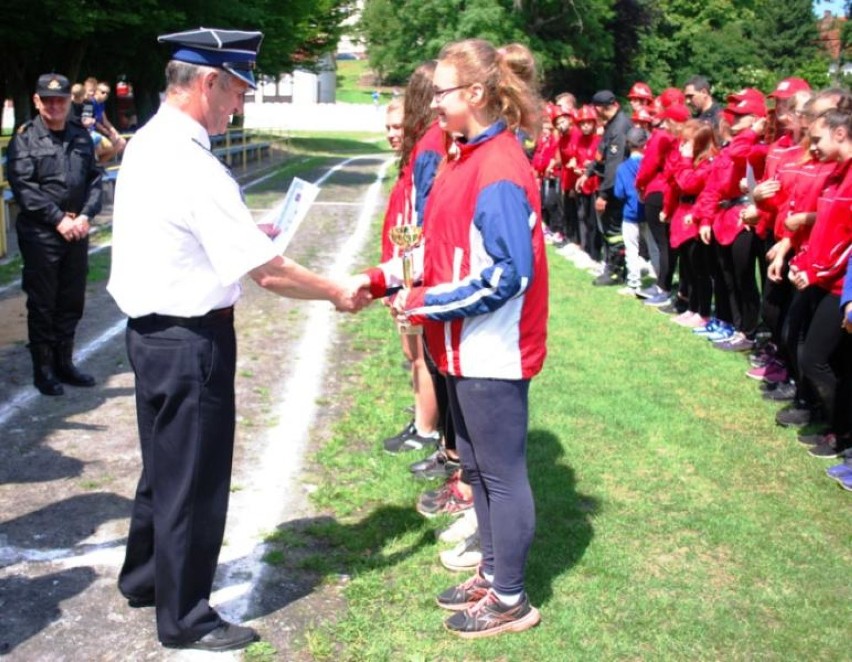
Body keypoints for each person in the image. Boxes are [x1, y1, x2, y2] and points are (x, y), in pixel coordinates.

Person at [107, 27, 366, 652]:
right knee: (194, 479)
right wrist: (335, 291)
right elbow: (269, 272)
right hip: (190, 341)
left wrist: (249, 231)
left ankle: (146, 578)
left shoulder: (149, 141)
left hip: (149, 335)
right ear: (206, 82)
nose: (238, 105)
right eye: (236, 91)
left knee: (162, 468)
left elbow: (186, 231)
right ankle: (186, 616)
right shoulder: (191, 161)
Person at [355, 38, 547, 639]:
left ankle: (510, 598)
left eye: (442, 92)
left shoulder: (499, 167)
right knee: (481, 473)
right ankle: (493, 574)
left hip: (493, 348)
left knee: (500, 474)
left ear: (477, 93)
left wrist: (422, 302)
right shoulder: (464, 156)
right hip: (462, 346)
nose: (432, 103)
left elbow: (508, 275)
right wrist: (382, 281)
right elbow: (437, 255)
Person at [7, 73, 102, 396]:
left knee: (71, 300)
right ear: (36, 101)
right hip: (42, 234)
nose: (54, 106)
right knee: (43, 302)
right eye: (47, 100)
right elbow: (24, 188)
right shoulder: (24, 138)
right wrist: (58, 219)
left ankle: (65, 363)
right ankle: (43, 369)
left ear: (67, 101)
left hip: (76, 232)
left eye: (60, 99)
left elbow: (93, 180)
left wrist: (87, 214)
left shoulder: (79, 136)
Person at [579, 89, 632, 285]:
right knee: (612, 230)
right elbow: (601, 155)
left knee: (614, 231)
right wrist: (587, 173)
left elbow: (613, 166)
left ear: (600, 108)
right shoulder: (612, 124)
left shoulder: (619, 127)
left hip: (615, 189)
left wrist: (604, 195)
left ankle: (615, 270)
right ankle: (616, 267)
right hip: (610, 185)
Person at [614, 126, 652, 295]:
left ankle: (634, 283)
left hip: (630, 213)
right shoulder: (650, 164)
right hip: (649, 212)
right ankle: (654, 283)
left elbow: (618, 193)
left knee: (632, 249)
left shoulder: (623, 167)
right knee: (653, 249)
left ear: (628, 144)